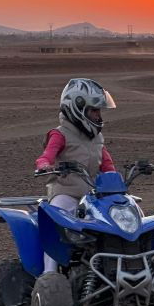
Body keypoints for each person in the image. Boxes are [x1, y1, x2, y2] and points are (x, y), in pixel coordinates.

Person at [35, 78, 117, 273]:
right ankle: (49, 276)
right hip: (66, 193)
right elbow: (46, 156)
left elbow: (107, 163)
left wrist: (115, 180)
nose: (98, 116)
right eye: (94, 110)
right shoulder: (59, 134)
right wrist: (45, 165)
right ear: (77, 109)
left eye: (99, 111)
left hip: (91, 196)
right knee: (55, 225)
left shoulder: (96, 137)